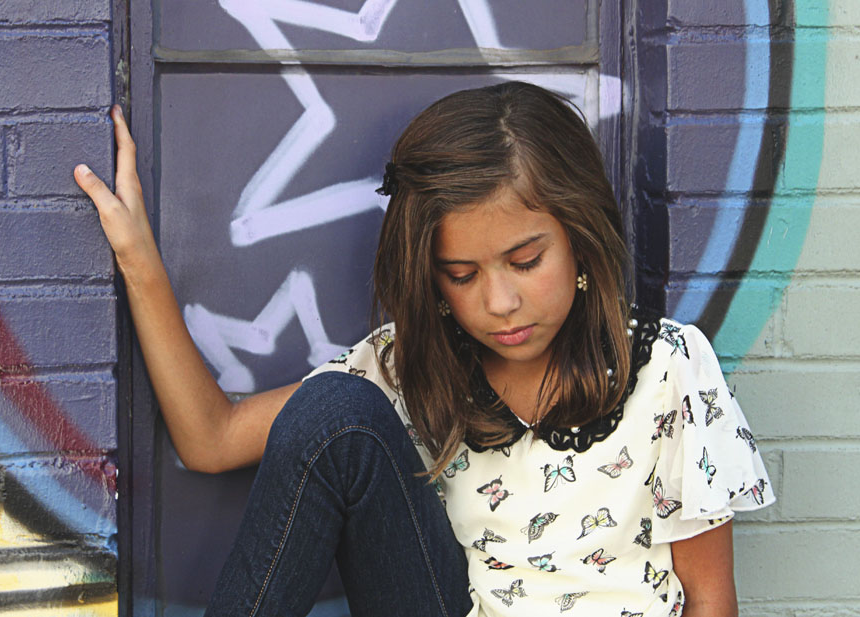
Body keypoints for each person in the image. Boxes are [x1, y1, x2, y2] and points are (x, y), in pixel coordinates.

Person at [75, 82, 773, 617]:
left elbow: (711, 600)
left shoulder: (667, 366)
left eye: (526, 261)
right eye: (462, 275)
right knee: (334, 409)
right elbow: (211, 437)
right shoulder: (411, 367)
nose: (500, 301)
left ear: (579, 237)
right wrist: (137, 257)